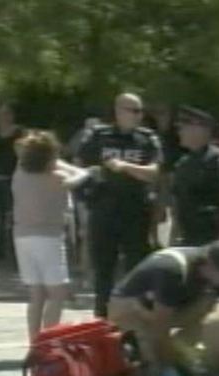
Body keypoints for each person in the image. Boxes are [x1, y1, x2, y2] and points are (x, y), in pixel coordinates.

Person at [108, 240, 219, 376]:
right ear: (209, 265)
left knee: (216, 306)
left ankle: (184, 351)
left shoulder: (206, 269)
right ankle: (170, 364)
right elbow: (161, 328)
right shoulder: (173, 271)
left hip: (161, 309)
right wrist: (169, 369)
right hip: (130, 309)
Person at [76, 93, 162, 317]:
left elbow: (154, 173)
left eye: (140, 111)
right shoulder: (98, 135)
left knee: (136, 267)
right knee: (104, 269)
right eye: (133, 111)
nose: (138, 116)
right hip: (103, 210)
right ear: (118, 111)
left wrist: (125, 167)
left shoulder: (147, 138)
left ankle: (134, 318)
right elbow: (81, 166)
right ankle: (102, 317)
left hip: (134, 212)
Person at [12, 131, 89, 339]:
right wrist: (88, 170)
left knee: (36, 294)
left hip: (22, 236)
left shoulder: (20, 171)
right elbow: (80, 175)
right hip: (48, 238)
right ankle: (48, 341)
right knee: (57, 294)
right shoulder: (58, 178)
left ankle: (34, 341)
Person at [172, 106, 219, 246]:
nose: (179, 132)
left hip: (210, 237)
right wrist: (174, 237)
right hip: (188, 236)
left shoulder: (217, 159)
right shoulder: (183, 164)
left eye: (183, 127)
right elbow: (178, 204)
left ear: (199, 130)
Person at [0, 101, 25, 261]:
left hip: (12, 178)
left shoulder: (19, 132)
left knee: (13, 216)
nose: (4, 117)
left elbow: (23, 154)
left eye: (7, 113)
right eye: (1, 113)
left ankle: (15, 253)